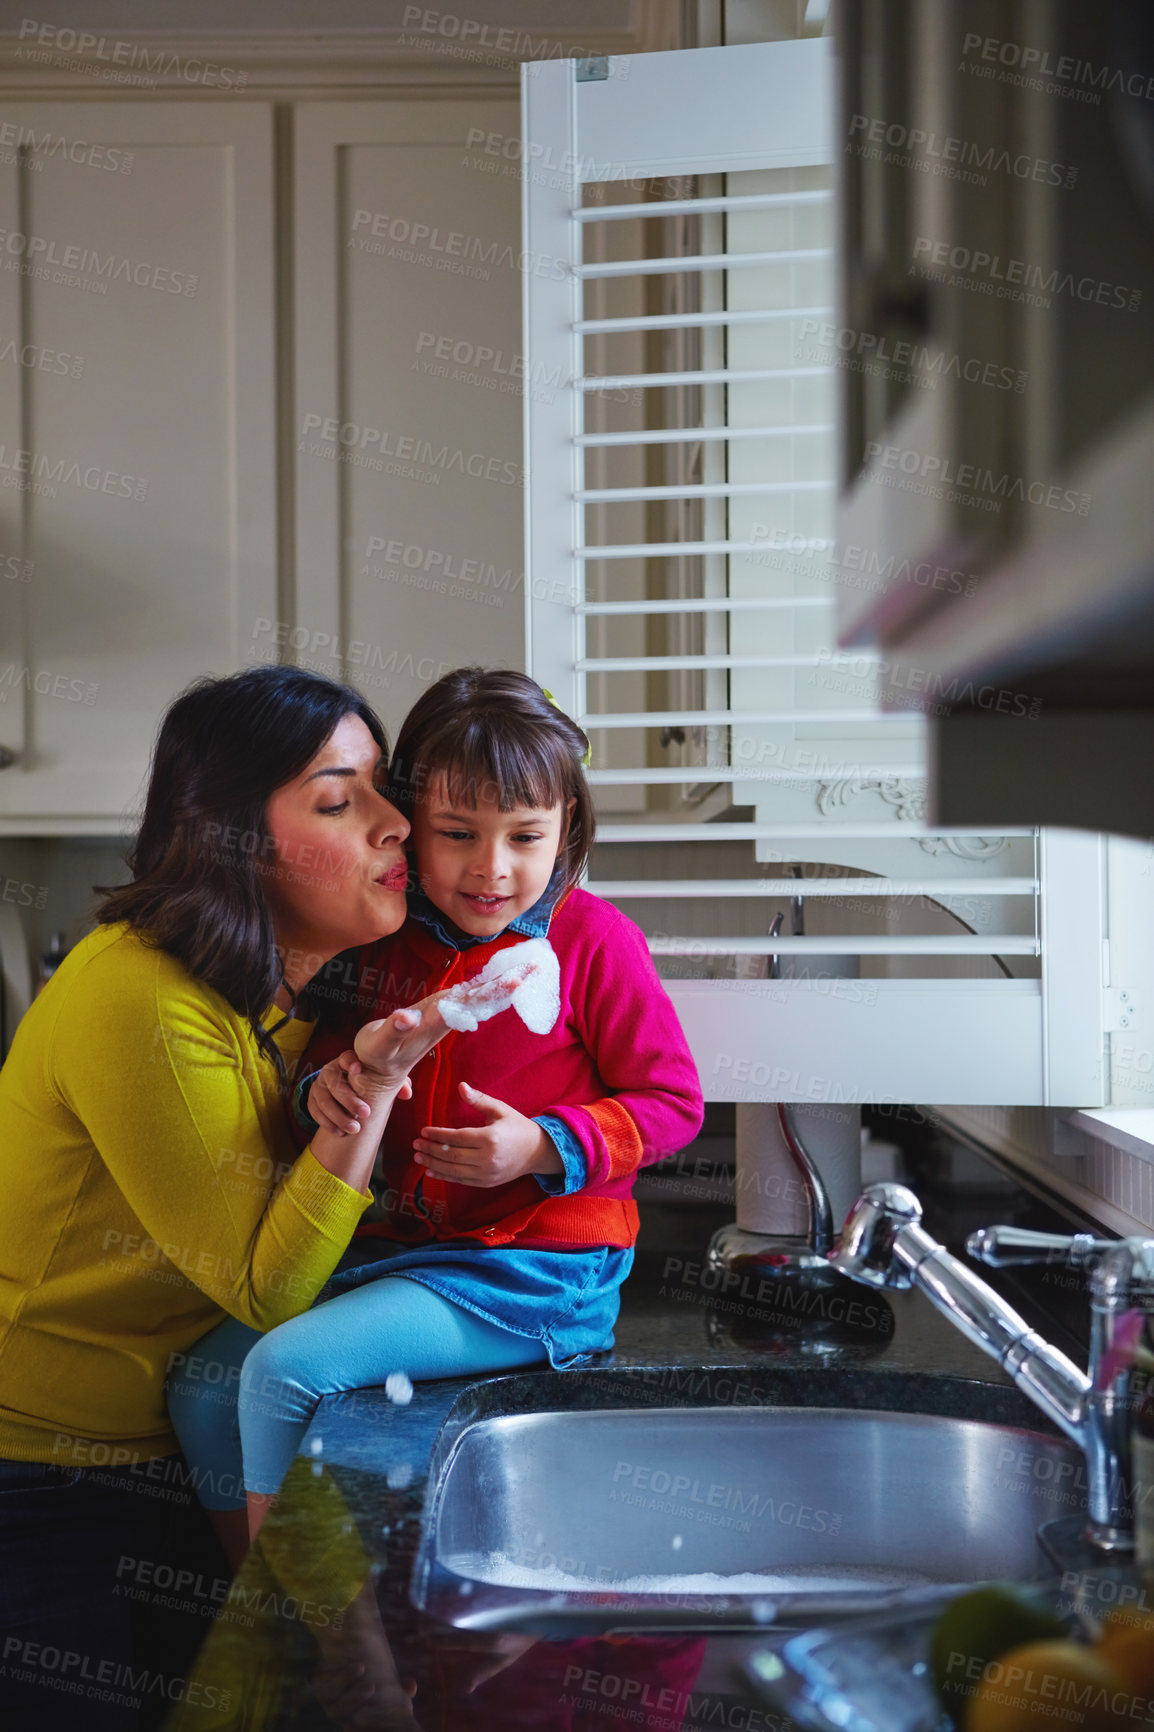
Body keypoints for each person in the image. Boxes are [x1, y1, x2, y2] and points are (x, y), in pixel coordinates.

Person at [0, 665, 516, 1731]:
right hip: (42, 1480)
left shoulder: (273, 995)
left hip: (167, 1443)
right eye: (339, 800)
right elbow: (267, 1288)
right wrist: (372, 1085)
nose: (396, 825)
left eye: (386, 788)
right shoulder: (139, 997)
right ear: (230, 841)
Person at [168, 668, 705, 1539]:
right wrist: (325, 1092)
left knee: (282, 1370)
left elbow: (673, 1100)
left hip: (534, 1275)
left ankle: (297, 1644)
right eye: (457, 834)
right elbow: (329, 1071)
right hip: (402, 1252)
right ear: (408, 825)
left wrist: (542, 1145)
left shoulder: (595, 940)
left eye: (526, 837)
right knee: (202, 1382)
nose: (492, 869)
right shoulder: (386, 935)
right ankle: (259, 1611)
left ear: (568, 829)